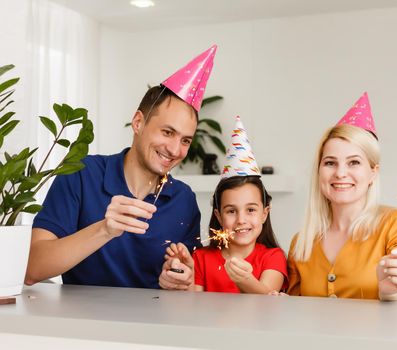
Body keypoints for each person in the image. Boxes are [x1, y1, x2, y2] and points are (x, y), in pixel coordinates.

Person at [25, 45, 218, 289]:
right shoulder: (81, 174)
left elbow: (191, 284)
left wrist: (181, 280)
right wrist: (104, 230)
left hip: (155, 325)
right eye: (167, 132)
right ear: (138, 122)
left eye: (185, 140)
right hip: (82, 324)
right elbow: (33, 269)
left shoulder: (183, 199)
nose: (175, 149)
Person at [287, 92, 397, 301]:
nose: (340, 173)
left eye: (354, 162)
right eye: (330, 163)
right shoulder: (301, 242)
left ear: (373, 172)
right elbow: (293, 313)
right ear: (319, 171)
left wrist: (392, 292)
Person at [161, 116, 287, 293]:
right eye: (231, 211)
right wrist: (185, 276)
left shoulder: (273, 257)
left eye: (251, 209)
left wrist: (245, 280)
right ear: (219, 216)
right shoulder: (201, 258)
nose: (241, 219)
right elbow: (191, 306)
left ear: (265, 213)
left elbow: (268, 301)